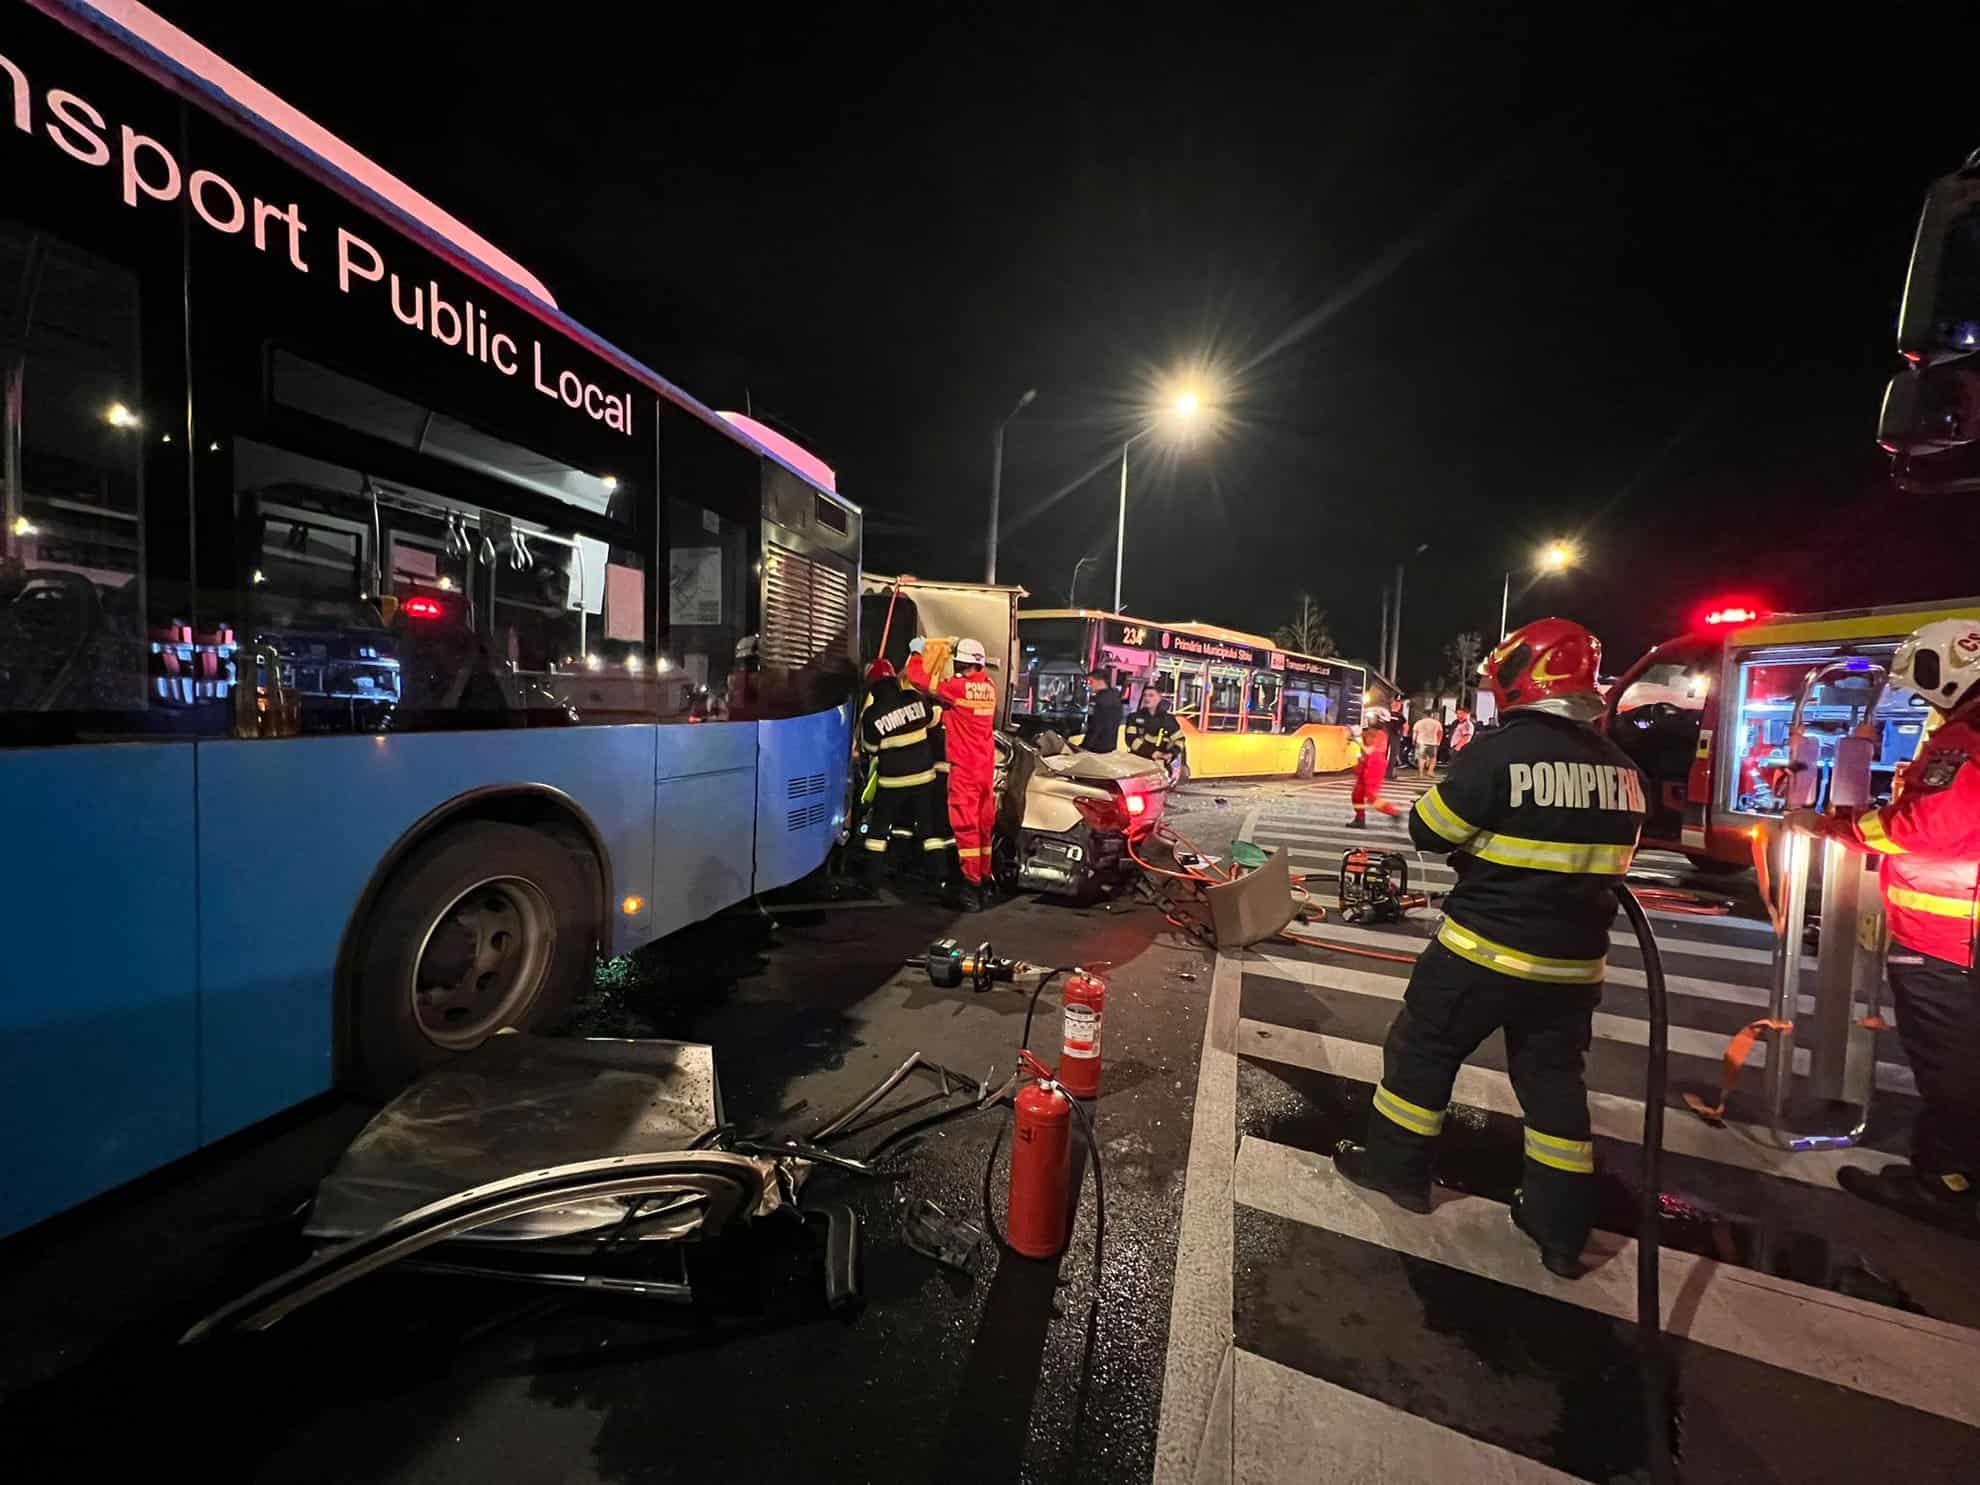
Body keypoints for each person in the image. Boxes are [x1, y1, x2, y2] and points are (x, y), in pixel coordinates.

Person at [1333, 617, 1647, 1278]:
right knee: (1555, 1083)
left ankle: (1397, 1170)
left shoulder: (1502, 752)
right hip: (1573, 967)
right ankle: (1560, 1225)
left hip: (1483, 950)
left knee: (1422, 1052)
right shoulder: (1622, 770)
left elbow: (1430, 829)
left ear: (1523, 676)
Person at [1787, 618, 1980, 1233]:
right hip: (1961, 935)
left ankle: (1947, 1184)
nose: (1923, 700)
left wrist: (1837, 827)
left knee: (1951, 1067)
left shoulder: (1967, 737)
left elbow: (1921, 827)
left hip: (1948, 940)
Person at [855, 659, 953, 883]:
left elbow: (870, 748)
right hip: (923, 779)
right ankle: (940, 875)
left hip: (892, 783)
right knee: (929, 831)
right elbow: (932, 719)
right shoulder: (913, 698)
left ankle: (872, 877)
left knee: (878, 833)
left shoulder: (871, 715)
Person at [937, 638, 1001, 912]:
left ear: (962, 662)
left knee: (966, 830)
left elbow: (920, 680)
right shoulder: (990, 687)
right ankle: (985, 882)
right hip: (985, 769)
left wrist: (925, 652)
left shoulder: (957, 687)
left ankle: (970, 887)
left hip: (964, 769)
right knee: (984, 829)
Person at [903, 637, 947, 785]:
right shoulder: (988, 686)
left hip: (926, 773)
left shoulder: (954, 690)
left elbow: (917, 678)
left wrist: (916, 654)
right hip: (974, 764)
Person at [1348, 716, 1399, 827]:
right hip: (1365, 764)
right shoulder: (1369, 732)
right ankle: (1360, 819)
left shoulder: (1381, 735)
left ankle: (1393, 812)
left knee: (1371, 797)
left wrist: (1358, 740)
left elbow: (1370, 751)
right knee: (1357, 795)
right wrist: (1354, 734)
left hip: (1375, 766)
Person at [1124, 681, 1182, 768]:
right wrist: (1153, 753)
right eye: (1145, 695)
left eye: (1151, 695)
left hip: (1160, 764)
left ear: (1159, 698)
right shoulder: (1134, 717)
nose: (1147, 698)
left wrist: (1171, 754)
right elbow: (1131, 740)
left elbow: (1179, 740)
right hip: (1137, 762)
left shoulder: (1168, 719)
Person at [1082, 668, 1124, 752]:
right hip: (1109, 745)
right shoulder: (1114, 698)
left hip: (1097, 747)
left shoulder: (1102, 700)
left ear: (1100, 681)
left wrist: (1085, 746)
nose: (1089, 685)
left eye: (1091, 682)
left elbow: (1097, 725)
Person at [1412, 710, 1445, 778]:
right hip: (1433, 743)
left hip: (1421, 742)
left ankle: (1420, 774)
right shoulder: (1436, 723)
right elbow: (1440, 733)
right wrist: (1439, 741)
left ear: (1423, 715)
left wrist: (1413, 741)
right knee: (1433, 758)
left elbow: (1415, 732)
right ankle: (1430, 771)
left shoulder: (1419, 722)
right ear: (1431, 715)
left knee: (1421, 758)